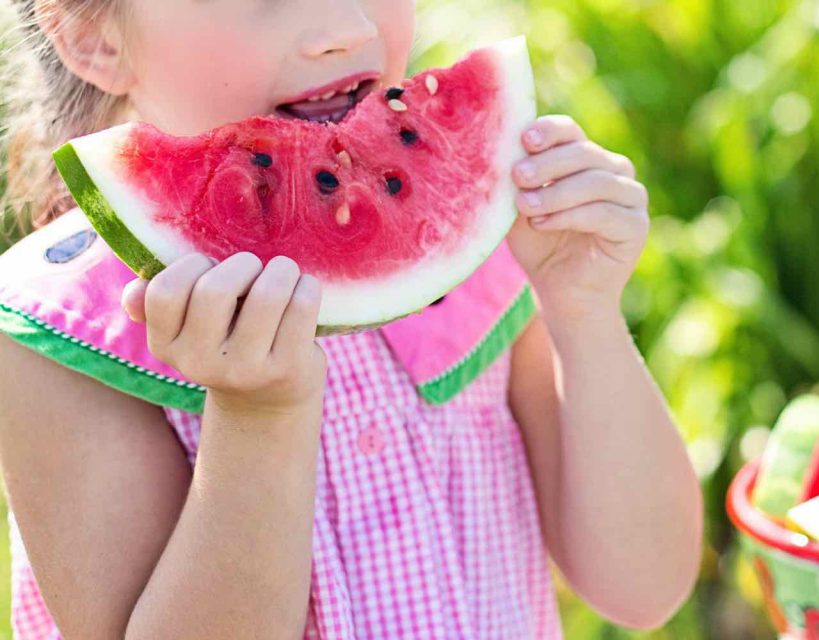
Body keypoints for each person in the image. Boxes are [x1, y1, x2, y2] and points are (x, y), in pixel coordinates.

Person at [0, 0, 702, 637]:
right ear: (90, 37)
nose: (350, 30)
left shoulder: (479, 246)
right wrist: (256, 422)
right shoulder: (61, 335)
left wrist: (585, 315)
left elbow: (644, 588)